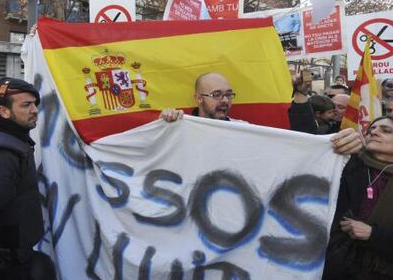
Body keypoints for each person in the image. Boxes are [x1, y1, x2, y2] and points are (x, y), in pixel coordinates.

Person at [161, 72, 363, 155]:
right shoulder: (177, 126)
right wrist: (164, 125)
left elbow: (303, 139)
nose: (224, 100)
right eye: (216, 95)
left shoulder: (244, 129)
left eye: (229, 95)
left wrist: (300, 93)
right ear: (198, 99)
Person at [0, 77, 56, 279]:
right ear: (4, 112)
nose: (34, 110)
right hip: (3, 265)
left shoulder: (16, 144)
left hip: (16, 258)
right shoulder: (0, 152)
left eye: (35, 104)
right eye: (26, 105)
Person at [322, 115, 393, 279]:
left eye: (386, 130)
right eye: (371, 130)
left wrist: (373, 235)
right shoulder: (347, 165)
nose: (374, 132)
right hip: (335, 268)